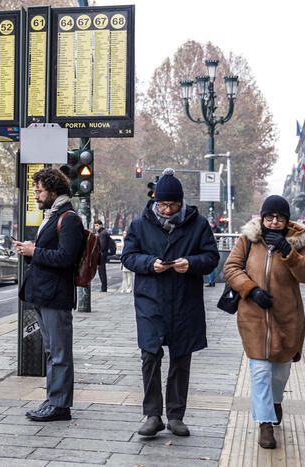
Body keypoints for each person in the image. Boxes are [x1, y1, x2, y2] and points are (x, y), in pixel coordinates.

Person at [122, 168, 219, 438]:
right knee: (150, 355)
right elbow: (128, 257)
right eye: (162, 204)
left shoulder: (197, 224)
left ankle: (176, 415)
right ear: (155, 201)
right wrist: (150, 264)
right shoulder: (140, 224)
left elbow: (211, 257)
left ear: (181, 202)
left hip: (184, 301)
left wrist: (192, 263)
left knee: (181, 357)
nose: (166, 210)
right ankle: (152, 414)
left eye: (172, 205)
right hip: (150, 300)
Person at [223, 195, 305, 450]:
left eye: (280, 218)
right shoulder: (249, 239)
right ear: (262, 218)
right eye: (269, 217)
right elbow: (230, 267)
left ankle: (275, 401)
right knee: (261, 371)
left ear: (287, 220)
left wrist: (289, 252)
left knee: (280, 372)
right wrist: (251, 290)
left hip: (287, 317)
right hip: (253, 316)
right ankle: (265, 423)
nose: (274, 222)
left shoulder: (300, 241)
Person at [14, 167, 84, 422]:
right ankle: (53, 399)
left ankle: (60, 405)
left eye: (39, 191)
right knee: (52, 352)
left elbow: (66, 257)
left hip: (56, 295)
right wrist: (30, 249)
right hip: (44, 294)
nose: (36, 195)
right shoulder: (53, 215)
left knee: (59, 352)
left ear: (54, 191)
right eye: (34, 190)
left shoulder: (69, 219)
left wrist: (34, 252)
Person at [94, 220, 112, 292]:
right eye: (95, 226)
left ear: (101, 225)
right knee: (101, 271)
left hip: (101, 255)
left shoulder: (102, 234)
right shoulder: (103, 233)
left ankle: (104, 288)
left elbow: (102, 246)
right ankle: (103, 287)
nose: (95, 227)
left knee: (102, 272)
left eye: (97, 225)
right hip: (102, 255)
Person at [206, 219, 222, 287]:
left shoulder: (212, 229)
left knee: (211, 265)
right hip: (213, 248)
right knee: (211, 265)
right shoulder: (212, 229)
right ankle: (211, 281)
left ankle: (211, 281)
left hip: (212, 248)